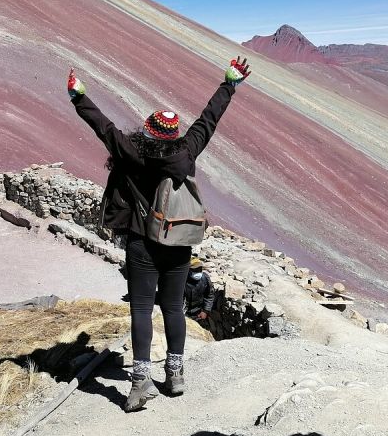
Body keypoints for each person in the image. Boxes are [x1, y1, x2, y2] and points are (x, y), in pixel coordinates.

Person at [67, 56, 251, 412]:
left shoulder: (130, 151)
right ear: (173, 134)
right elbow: (208, 120)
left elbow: (102, 126)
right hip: (178, 243)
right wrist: (229, 83)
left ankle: (139, 383)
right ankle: (176, 374)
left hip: (141, 244)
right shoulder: (186, 152)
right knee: (173, 309)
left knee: (140, 309)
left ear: (148, 130)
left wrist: (78, 96)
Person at [184, 257, 214, 322]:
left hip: (198, 314)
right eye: (195, 270)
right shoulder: (182, 280)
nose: (198, 272)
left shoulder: (205, 279)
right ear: (189, 270)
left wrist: (205, 311)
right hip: (183, 313)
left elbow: (209, 295)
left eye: (200, 269)